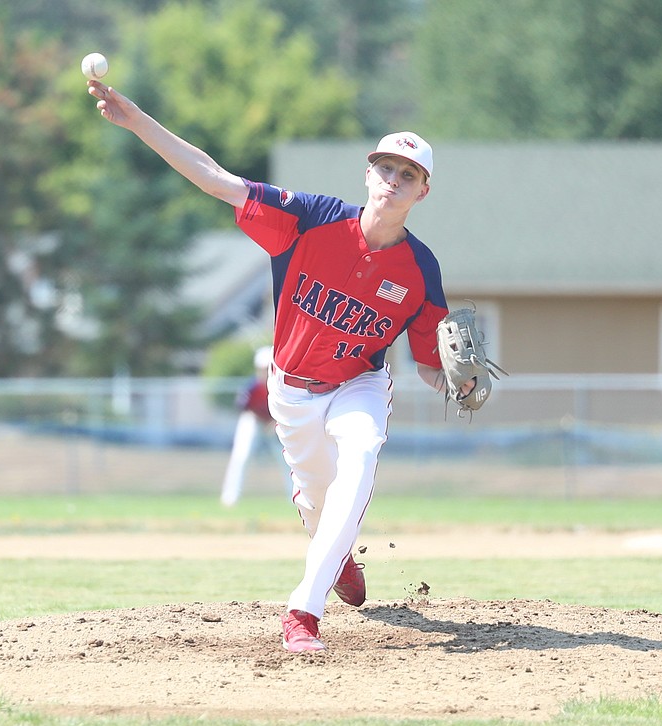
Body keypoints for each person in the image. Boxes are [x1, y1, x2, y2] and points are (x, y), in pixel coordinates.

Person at [89, 79, 475, 652]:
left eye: (408, 175)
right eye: (386, 169)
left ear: (423, 192)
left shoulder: (421, 269)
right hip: (291, 392)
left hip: (358, 386)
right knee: (320, 505)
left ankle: (303, 612)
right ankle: (334, 554)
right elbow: (216, 179)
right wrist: (138, 121)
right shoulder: (311, 220)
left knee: (362, 456)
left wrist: (456, 382)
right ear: (368, 174)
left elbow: (427, 363)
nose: (394, 181)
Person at [220, 345, 275, 507]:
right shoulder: (251, 387)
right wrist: (263, 422)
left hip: (276, 423)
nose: (264, 372)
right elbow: (244, 408)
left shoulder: (282, 385)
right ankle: (230, 497)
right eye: (262, 368)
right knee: (241, 456)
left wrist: (273, 424)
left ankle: (296, 499)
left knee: (288, 459)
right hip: (253, 420)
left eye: (268, 368)